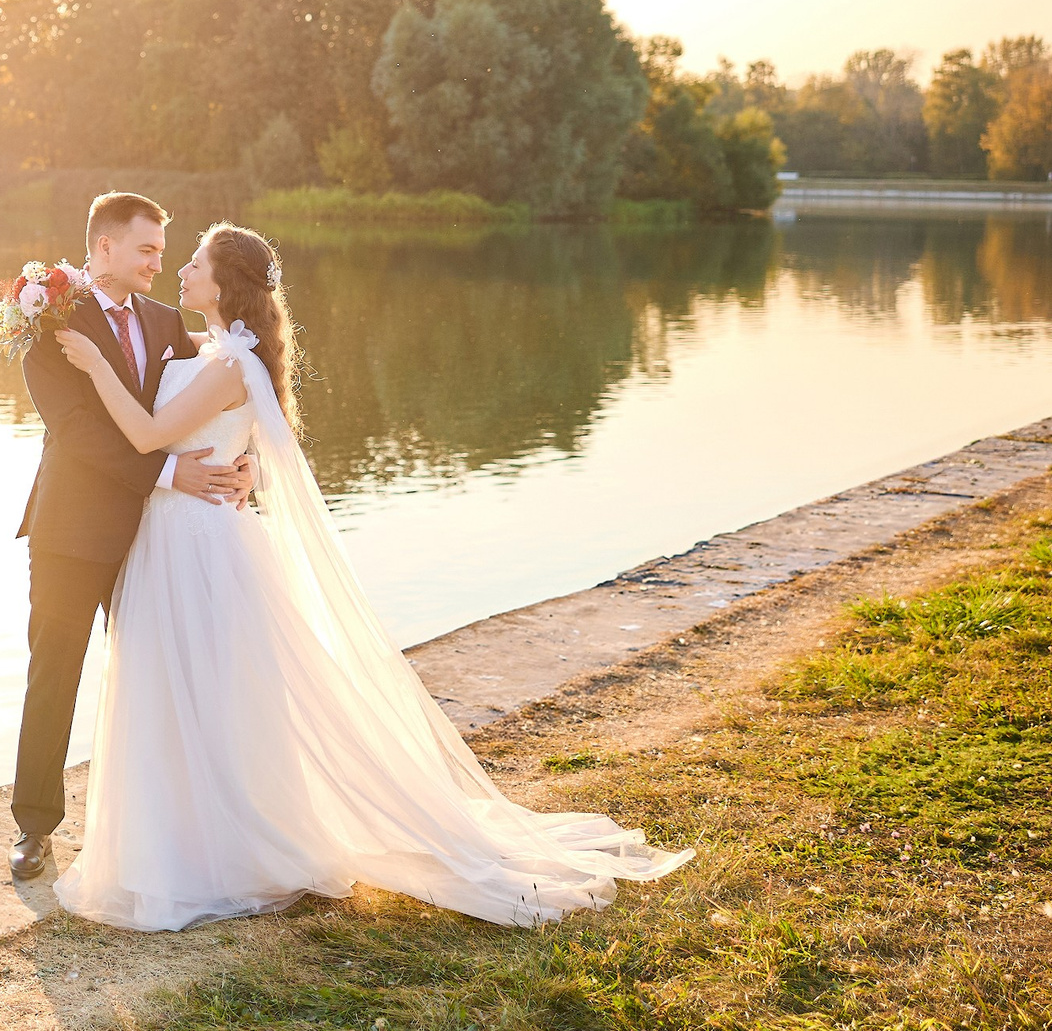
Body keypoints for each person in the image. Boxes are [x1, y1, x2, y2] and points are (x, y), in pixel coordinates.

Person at [44, 220, 692, 928]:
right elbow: (242, 436)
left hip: (199, 542)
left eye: (194, 260)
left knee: (213, 691)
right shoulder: (211, 349)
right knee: (188, 693)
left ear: (224, 283)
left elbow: (146, 435)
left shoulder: (232, 362)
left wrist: (93, 364)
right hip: (176, 537)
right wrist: (245, 462)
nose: (181, 269)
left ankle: (225, 851)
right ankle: (186, 839)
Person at [8, 191, 254, 883]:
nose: (158, 261)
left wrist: (248, 459)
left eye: (163, 250)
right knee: (53, 669)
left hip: (154, 538)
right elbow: (77, 431)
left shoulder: (166, 319)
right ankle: (34, 827)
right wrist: (171, 472)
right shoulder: (48, 315)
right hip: (71, 528)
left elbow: (221, 391)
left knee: (157, 674)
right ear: (104, 247)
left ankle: (168, 824)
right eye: (146, 248)